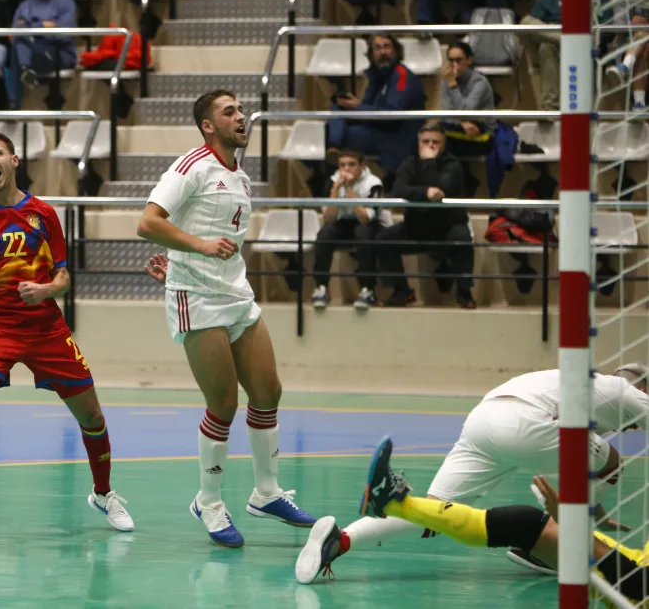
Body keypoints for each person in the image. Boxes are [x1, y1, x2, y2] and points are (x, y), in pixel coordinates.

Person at [0, 127, 134, 534]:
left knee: (91, 414)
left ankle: (104, 494)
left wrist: (46, 290)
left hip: (45, 328)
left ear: (14, 161)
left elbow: (64, 277)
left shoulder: (44, 213)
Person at [137, 90, 318, 548]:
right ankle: (209, 501)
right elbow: (149, 222)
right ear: (208, 126)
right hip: (196, 298)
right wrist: (193, 251)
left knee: (268, 390)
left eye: (240, 110)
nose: (240, 117)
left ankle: (267, 492)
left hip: (236, 293)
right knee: (223, 403)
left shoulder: (242, 178)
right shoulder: (191, 166)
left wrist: (186, 254)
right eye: (229, 112)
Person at [294, 364, 649, 585]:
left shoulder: (577, 385)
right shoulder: (628, 393)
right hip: (530, 422)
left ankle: (338, 540)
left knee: (433, 512)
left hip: (485, 418)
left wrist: (597, 507)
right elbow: (610, 461)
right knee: (613, 461)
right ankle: (555, 547)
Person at [331, 437, 649, 605]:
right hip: (634, 567)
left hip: (634, 589)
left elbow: (639, 585)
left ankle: (395, 504)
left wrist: (576, 529)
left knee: (530, 524)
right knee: (528, 524)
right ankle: (394, 502)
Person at [374, 122, 475, 308]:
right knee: (384, 239)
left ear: (443, 144)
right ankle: (402, 291)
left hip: (447, 227)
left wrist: (429, 163)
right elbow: (398, 189)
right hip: (417, 226)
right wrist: (425, 192)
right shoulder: (409, 163)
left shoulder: (452, 164)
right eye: (425, 141)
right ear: (418, 142)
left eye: (435, 142)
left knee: (462, 236)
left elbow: (442, 186)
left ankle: (464, 293)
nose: (430, 146)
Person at [325, 33, 426, 187]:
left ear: (396, 51)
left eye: (387, 46)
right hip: (378, 128)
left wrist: (357, 107)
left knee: (343, 132)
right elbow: (368, 108)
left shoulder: (402, 76)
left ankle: (332, 161)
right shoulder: (377, 75)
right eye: (377, 48)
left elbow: (391, 116)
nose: (382, 52)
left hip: (397, 137)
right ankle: (334, 150)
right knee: (338, 108)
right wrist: (354, 106)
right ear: (372, 54)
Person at [310, 150, 392, 311]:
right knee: (325, 233)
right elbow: (328, 218)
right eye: (342, 165)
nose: (346, 169)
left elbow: (365, 218)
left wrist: (348, 189)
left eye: (351, 164)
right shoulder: (333, 181)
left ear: (362, 166)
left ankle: (368, 289)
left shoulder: (373, 184)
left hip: (370, 224)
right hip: (343, 223)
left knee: (363, 232)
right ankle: (321, 287)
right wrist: (335, 190)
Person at [9, 0, 77, 107]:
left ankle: (14, 101)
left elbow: (65, 35)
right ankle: (27, 70)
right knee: (18, 42)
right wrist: (45, 26)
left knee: (22, 44)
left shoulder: (66, 3)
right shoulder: (25, 4)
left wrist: (32, 27)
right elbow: (15, 33)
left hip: (59, 53)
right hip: (32, 50)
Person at [440, 41, 496, 158]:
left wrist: (453, 85)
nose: (454, 65)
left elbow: (465, 110)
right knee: (433, 137)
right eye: (451, 61)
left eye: (459, 60)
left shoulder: (480, 82)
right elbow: (446, 113)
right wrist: (461, 123)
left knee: (441, 144)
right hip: (458, 130)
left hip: (483, 134)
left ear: (469, 60)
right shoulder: (447, 80)